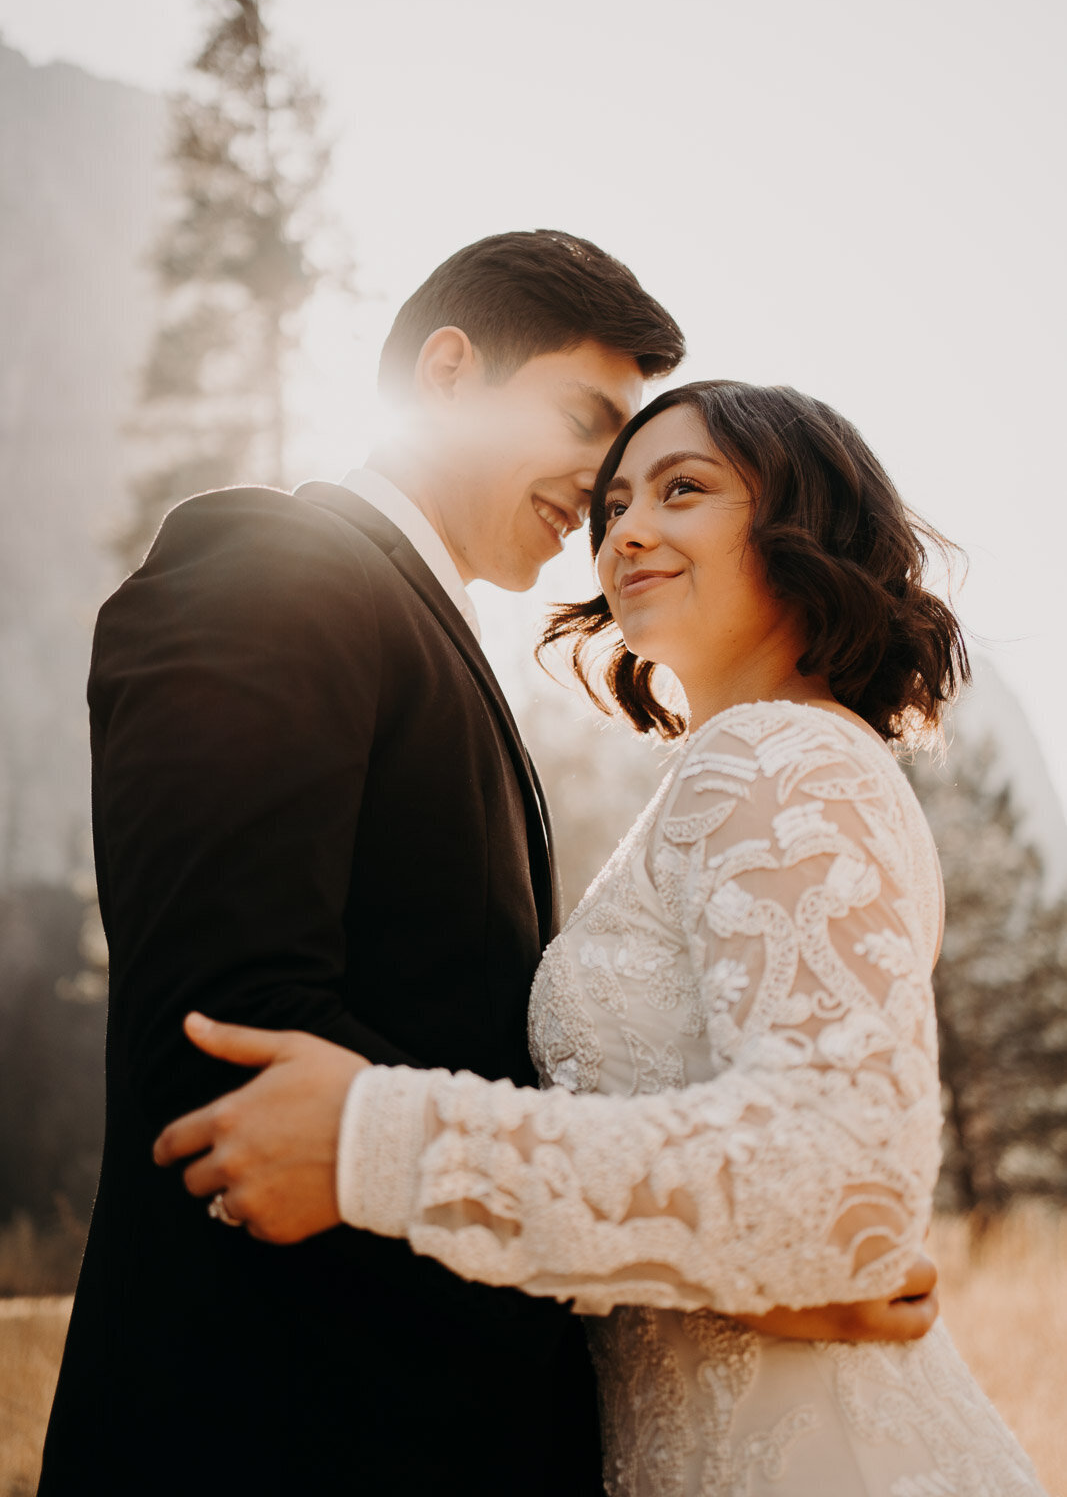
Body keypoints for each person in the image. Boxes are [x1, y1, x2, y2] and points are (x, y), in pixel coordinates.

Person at [155, 381, 1048, 1496]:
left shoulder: (780, 759)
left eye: (684, 489)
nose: (625, 527)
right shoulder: (724, 774)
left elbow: (841, 1185)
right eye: (614, 501)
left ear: (805, 523)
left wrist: (377, 1140)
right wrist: (746, 1279)